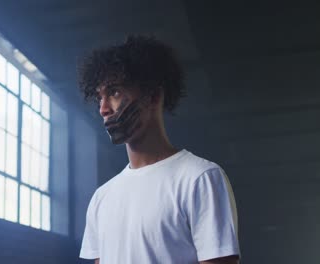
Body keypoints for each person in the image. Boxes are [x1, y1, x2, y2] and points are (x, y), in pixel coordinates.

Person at [77, 35, 240, 264]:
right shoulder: (101, 198)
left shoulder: (199, 178)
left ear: (153, 96)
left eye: (114, 92)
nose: (103, 108)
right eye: (99, 97)